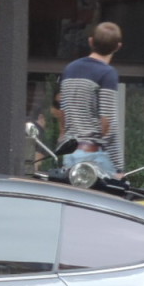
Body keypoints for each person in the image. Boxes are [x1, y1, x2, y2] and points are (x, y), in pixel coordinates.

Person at [59, 21, 123, 174]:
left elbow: (63, 112)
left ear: (91, 41)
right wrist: (119, 167)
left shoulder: (70, 69)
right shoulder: (107, 73)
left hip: (70, 154)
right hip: (94, 156)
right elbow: (108, 123)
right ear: (118, 47)